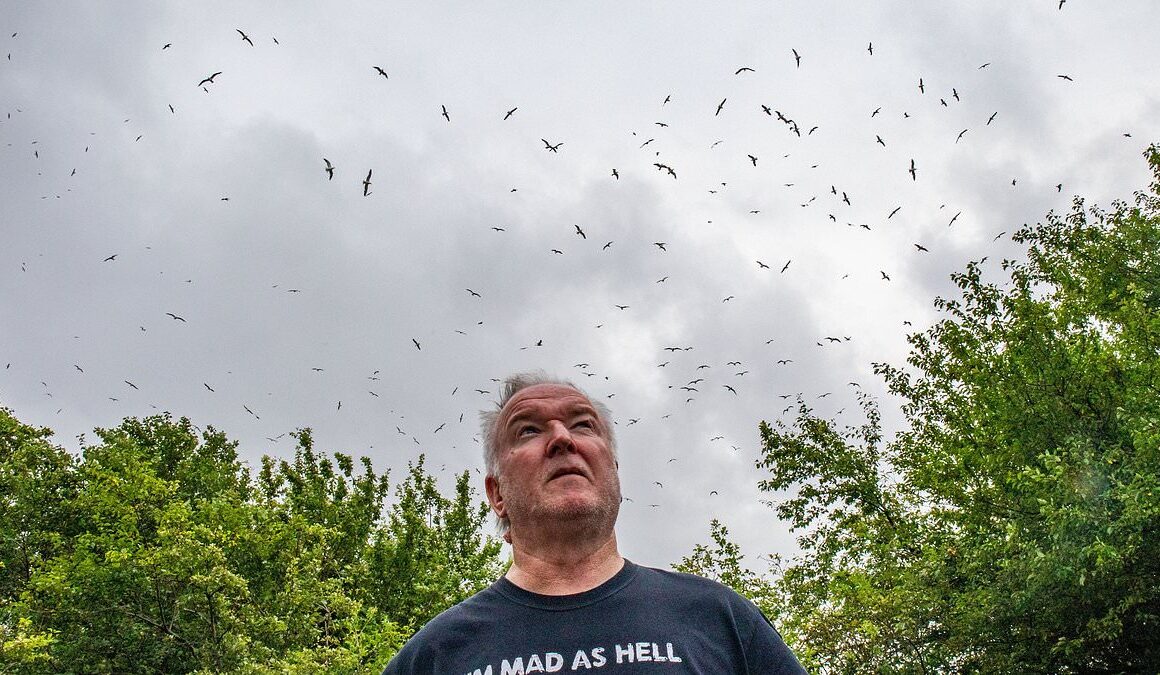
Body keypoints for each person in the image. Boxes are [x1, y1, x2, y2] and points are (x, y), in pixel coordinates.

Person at [383, 371, 806, 674]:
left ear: (614, 470)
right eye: (528, 431)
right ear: (497, 495)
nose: (562, 438)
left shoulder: (719, 619)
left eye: (583, 424)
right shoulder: (436, 656)